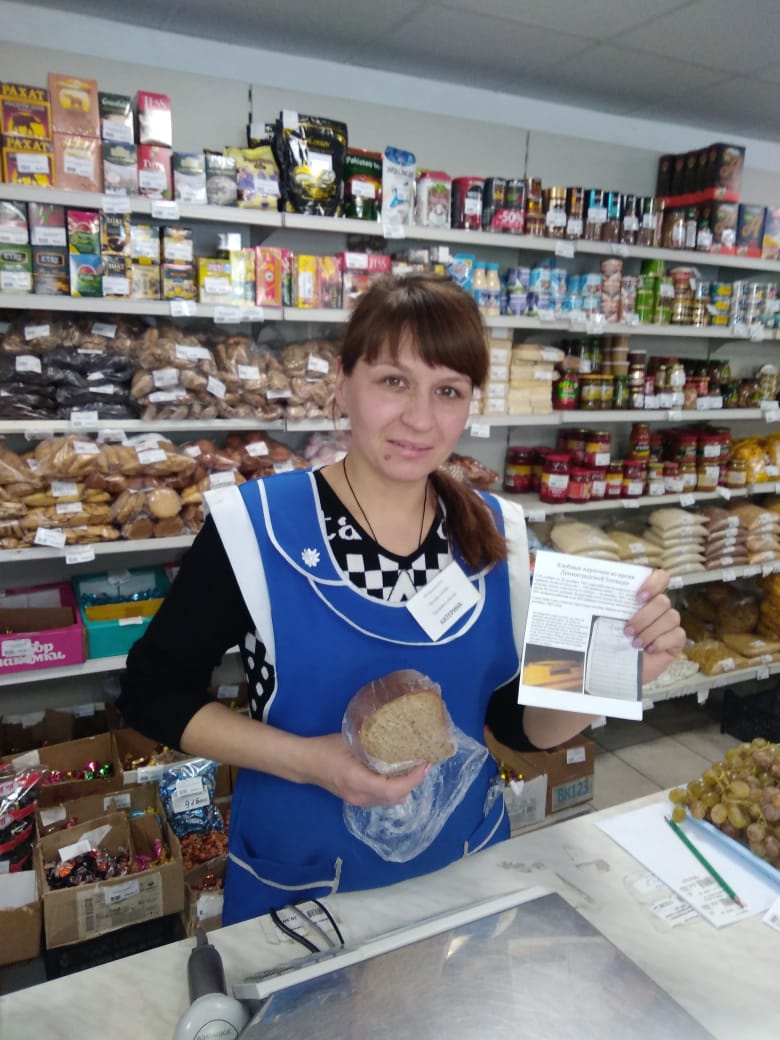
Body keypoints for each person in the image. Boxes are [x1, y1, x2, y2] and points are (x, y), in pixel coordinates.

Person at [118, 273, 685, 925]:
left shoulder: (498, 531)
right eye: (394, 381)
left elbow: (515, 726)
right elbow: (152, 693)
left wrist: (614, 673)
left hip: (465, 878)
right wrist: (308, 762)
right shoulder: (255, 527)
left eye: (448, 390)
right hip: (304, 892)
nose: (420, 418)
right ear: (343, 381)